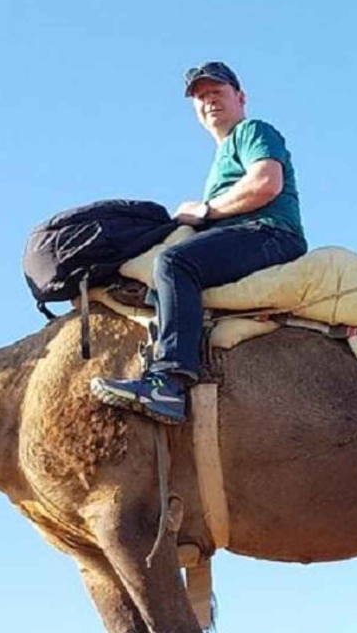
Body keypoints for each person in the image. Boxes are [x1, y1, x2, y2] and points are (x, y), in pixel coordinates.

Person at [92, 61, 307, 424]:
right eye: (201, 96)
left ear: (240, 97)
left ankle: (168, 382)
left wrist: (206, 210)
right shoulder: (221, 158)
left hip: (270, 233)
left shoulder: (253, 130)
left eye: (217, 92)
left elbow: (266, 183)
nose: (209, 101)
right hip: (248, 234)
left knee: (175, 263)